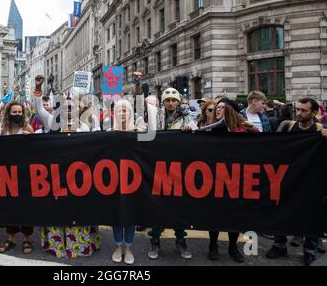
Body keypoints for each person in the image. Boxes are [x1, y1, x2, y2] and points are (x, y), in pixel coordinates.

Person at [34, 76, 101, 259]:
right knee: (57, 211)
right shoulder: (51, 123)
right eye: (64, 107)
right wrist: (38, 88)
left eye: (71, 107)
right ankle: (56, 244)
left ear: (78, 109)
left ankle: (79, 245)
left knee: (79, 211)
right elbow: (39, 108)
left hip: (79, 180)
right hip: (55, 179)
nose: (68, 110)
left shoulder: (85, 128)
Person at [266, 97, 327, 266]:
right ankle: (279, 244)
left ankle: (310, 250)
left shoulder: (321, 129)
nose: (299, 113)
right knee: (281, 211)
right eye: (298, 109)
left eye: (303, 110)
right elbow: (274, 147)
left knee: (313, 215)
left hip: (312, 181)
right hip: (287, 179)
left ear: (314, 113)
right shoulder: (287, 126)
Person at [147, 87, 198, 261]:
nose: (170, 103)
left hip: (180, 169)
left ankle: (180, 240)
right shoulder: (155, 116)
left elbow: (196, 136)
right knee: (157, 205)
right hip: (158, 168)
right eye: (167, 100)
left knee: (179, 206)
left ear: (178, 101)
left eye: (173, 100)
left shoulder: (187, 117)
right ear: (163, 102)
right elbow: (144, 133)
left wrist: (189, 131)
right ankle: (155, 240)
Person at [207, 98, 258, 263]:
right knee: (214, 214)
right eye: (217, 108)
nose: (218, 110)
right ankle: (213, 245)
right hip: (215, 178)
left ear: (231, 110)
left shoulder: (242, 129)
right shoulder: (212, 129)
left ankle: (232, 246)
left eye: (222, 107)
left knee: (234, 214)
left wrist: (253, 131)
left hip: (236, 178)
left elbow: (262, 145)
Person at [0, 102, 35, 254]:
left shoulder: (28, 129)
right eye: (14, 112)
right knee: (9, 205)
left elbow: (39, 150)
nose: (17, 114)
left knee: (26, 206)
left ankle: (27, 239)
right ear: (9, 114)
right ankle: (11, 237)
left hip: (25, 175)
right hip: (8, 174)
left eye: (20, 111)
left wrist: (31, 139)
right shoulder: (4, 130)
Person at [109, 100, 137, 265]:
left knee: (131, 212)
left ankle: (129, 247)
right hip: (114, 179)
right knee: (117, 213)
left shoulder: (139, 131)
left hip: (134, 179)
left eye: (125, 110)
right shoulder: (109, 132)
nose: (122, 113)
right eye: (119, 110)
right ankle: (118, 246)